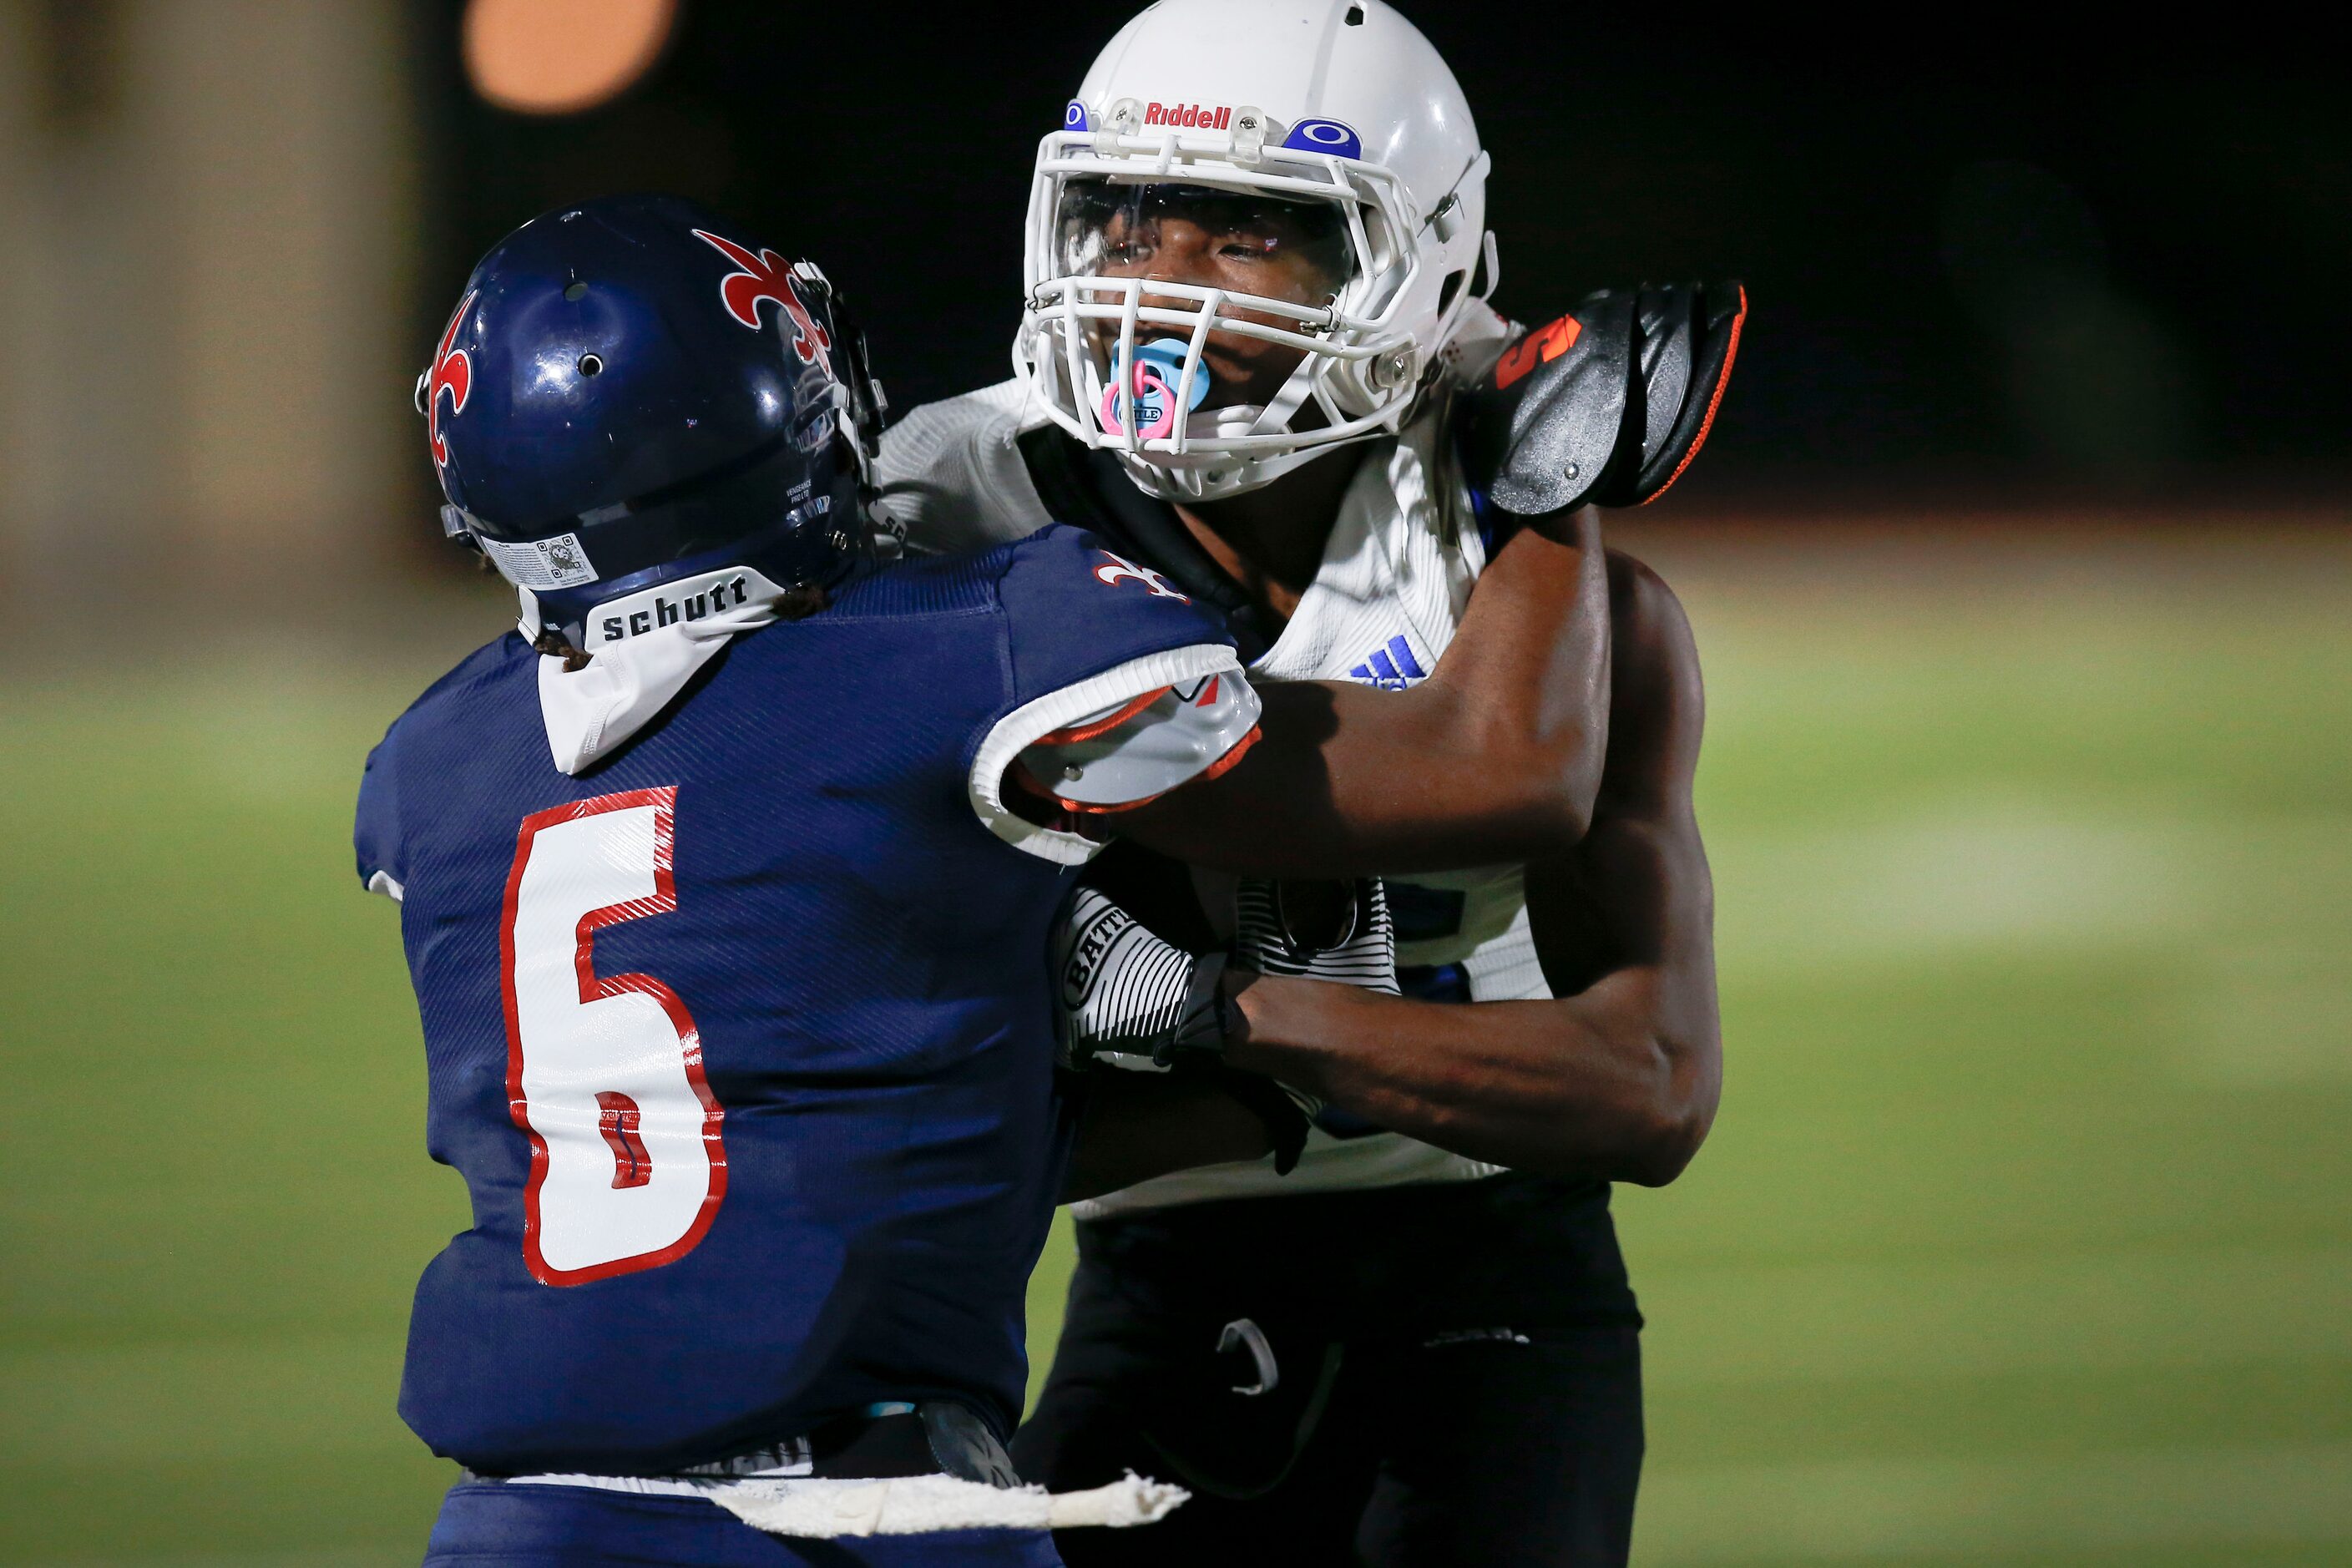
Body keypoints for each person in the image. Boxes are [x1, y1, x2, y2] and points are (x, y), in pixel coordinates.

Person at [358, 194, 1624, 1567]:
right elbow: (1484, 768)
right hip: (866, 1501)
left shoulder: (429, 769)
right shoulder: (988, 646)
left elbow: (821, 1094)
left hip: (517, 1517)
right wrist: (1550, 474)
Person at [873, 3, 1740, 1561]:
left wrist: (1237, 1021)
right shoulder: (953, 506)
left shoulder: (1549, 594)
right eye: (1126, 219)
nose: (1159, 287)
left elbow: (1650, 1084)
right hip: (1153, 1257)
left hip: (1489, 1266)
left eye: (1248, 236)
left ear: (1419, 269)